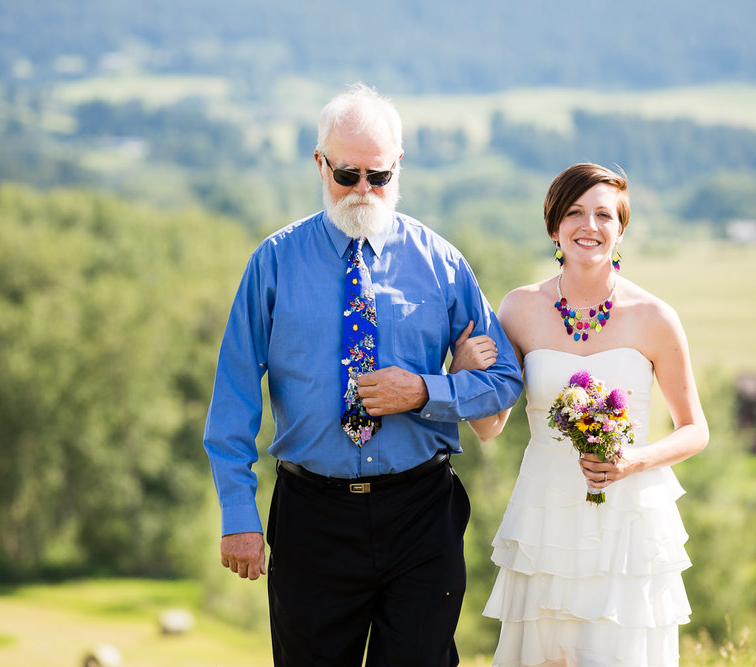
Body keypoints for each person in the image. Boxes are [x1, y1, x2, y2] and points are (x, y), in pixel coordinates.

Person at [202, 83, 523, 666]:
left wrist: (427, 391)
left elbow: (503, 378)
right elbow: (234, 400)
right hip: (310, 518)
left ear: (398, 165)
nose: (363, 191)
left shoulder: (443, 265)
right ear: (319, 163)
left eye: (378, 177)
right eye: (347, 175)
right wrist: (237, 514)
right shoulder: (272, 264)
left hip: (422, 513)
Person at [450, 163, 709, 666]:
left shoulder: (654, 317)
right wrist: (463, 371)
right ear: (554, 227)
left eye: (603, 215)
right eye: (574, 212)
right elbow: (489, 428)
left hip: (628, 520)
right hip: (544, 512)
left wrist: (634, 461)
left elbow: (695, 429)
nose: (589, 225)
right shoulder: (519, 309)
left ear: (620, 229)